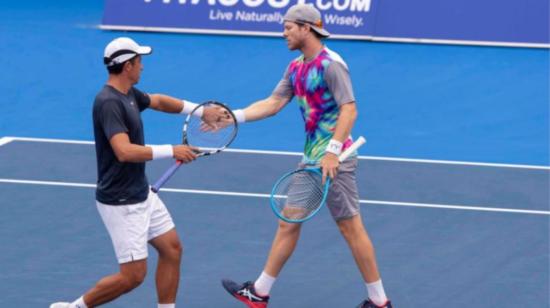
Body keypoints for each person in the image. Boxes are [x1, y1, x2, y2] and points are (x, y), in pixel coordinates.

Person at [220, 4, 392, 308]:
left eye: (288, 27)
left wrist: (333, 152)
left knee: (350, 227)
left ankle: (380, 302)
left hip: (336, 160)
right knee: (290, 220)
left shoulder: (331, 64)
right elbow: (273, 103)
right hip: (313, 159)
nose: (283, 32)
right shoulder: (296, 67)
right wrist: (233, 117)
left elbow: (349, 109)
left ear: (306, 28)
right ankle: (259, 293)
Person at [50, 37, 224, 308]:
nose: (143, 66)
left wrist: (200, 112)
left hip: (140, 193)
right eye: (139, 61)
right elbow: (124, 151)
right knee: (132, 277)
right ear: (127, 65)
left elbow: (160, 101)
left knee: (172, 249)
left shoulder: (129, 94)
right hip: (122, 202)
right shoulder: (108, 102)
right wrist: (172, 150)